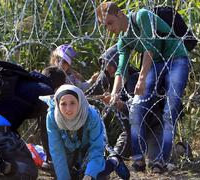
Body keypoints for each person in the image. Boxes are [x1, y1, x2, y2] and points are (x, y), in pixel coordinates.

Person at [97, 2, 190, 173]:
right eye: (105, 26)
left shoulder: (141, 16)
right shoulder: (123, 39)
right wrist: (114, 94)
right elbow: (121, 70)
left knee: (170, 109)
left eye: (110, 23)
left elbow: (149, 48)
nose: (108, 29)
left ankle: (161, 161)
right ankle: (138, 160)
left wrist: (141, 78)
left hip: (176, 58)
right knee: (138, 106)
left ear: (119, 14)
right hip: (155, 63)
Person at [45, 84, 129, 180]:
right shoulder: (53, 117)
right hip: (68, 149)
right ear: (57, 104)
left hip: (89, 148)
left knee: (97, 175)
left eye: (72, 103)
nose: (68, 109)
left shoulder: (91, 116)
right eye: (63, 104)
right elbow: (57, 150)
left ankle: (114, 161)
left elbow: (96, 148)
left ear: (79, 102)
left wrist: (89, 175)